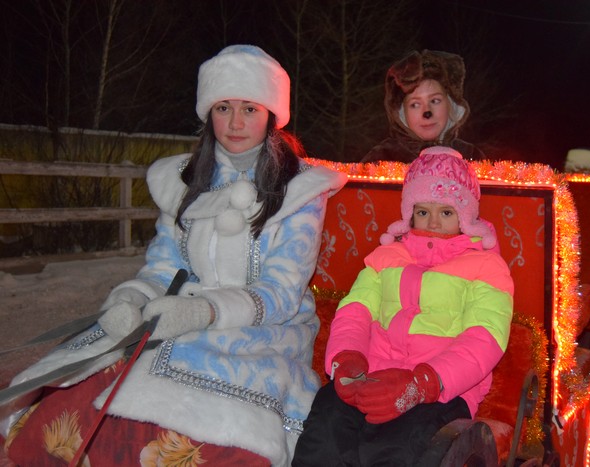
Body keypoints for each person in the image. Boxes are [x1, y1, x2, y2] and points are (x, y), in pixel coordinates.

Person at [1, 45, 347, 466]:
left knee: (202, 424)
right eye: (223, 107)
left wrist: (205, 312)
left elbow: (282, 293)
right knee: (89, 380)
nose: (236, 123)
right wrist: (131, 298)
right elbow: (165, 267)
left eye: (250, 109)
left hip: (263, 329)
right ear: (208, 113)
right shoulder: (181, 182)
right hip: (173, 312)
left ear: (271, 114)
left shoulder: (300, 189)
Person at [292, 146, 512, 466]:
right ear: (409, 213)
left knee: (394, 449)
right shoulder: (386, 258)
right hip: (371, 376)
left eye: (446, 213)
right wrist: (347, 358)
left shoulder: (487, 267)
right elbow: (355, 311)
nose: (433, 223)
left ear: (465, 217)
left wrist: (425, 383)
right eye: (423, 211)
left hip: (441, 390)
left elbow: (485, 338)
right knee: (325, 431)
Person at [361, 49, 485, 163]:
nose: (427, 112)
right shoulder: (381, 159)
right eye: (415, 104)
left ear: (451, 104)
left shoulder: (471, 157)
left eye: (435, 101)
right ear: (401, 113)